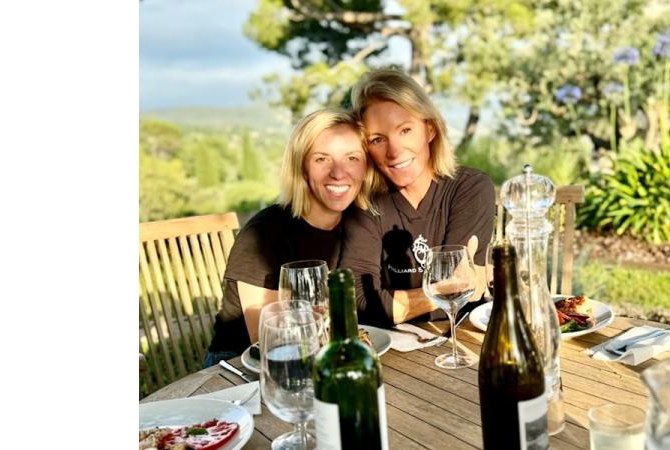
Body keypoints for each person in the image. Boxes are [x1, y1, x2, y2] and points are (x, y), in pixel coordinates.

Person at [204, 108, 380, 367]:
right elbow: (267, 339)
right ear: (302, 167)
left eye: (352, 158)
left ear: (366, 167)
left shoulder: (362, 225)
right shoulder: (264, 233)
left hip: (327, 359)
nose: (339, 173)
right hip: (241, 369)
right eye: (322, 159)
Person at [339, 68, 496, 327]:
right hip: (396, 352)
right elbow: (358, 303)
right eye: (377, 139)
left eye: (405, 130)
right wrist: (444, 291)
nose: (395, 151)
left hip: (463, 340)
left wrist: (398, 302)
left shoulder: (470, 189)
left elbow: (461, 298)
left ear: (430, 130)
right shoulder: (365, 204)